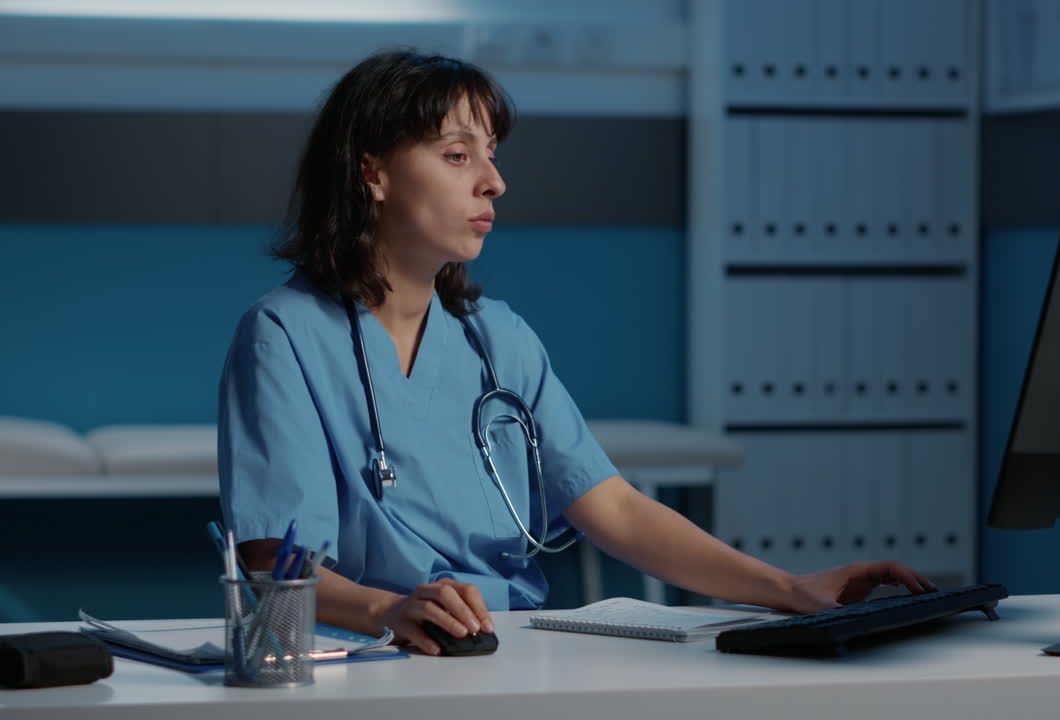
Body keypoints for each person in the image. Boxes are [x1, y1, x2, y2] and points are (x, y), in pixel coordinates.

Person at [218, 49, 935, 656]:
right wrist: (389, 612)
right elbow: (276, 568)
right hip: (384, 656)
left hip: (517, 648)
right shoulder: (284, 337)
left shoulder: (498, 339)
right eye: (458, 155)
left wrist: (789, 589)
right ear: (371, 173)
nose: (492, 181)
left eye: (491, 157)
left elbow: (615, 510)